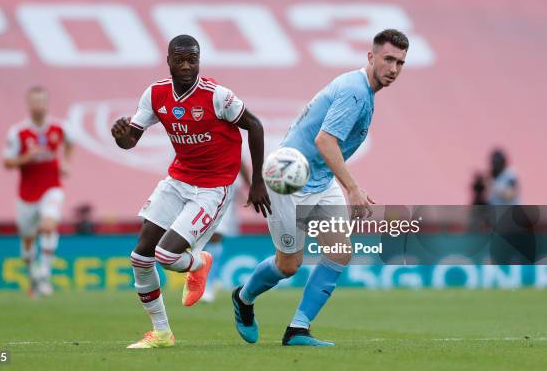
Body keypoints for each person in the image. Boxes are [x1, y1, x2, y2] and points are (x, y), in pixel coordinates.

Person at [232, 29, 409, 346]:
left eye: (400, 62)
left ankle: (297, 330)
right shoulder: (355, 91)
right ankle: (243, 299)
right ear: (370, 57)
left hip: (319, 180)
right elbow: (324, 141)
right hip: (288, 180)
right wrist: (353, 188)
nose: (394, 69)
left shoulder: (363, 92)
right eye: (388, 59)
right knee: (288, 265)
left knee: (340, 252)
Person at [111, 35, 270, 349]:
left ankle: (199, 263)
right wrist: (121, 138)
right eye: (180, 60)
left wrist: (257, 181)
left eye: (192, 60)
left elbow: (255, 125)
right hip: (178, 180)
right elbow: (132, 140)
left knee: (166, 255)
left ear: (199, 61)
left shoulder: (217, 96)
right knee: (140, 258)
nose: (187, 66)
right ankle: (161, 333)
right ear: (168, 60)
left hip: (213, 188)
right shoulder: (155, 94)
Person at [2, 86, 74, 297]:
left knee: (48, 224)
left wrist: (66, 163)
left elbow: (70, 143)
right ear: (29, 105)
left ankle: (44, 272)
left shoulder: (59, 128)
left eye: (41, 101)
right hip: (27, 193)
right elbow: (7, 162)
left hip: (52, 186)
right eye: (34, 102)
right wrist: (26, 158)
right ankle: (33, 274)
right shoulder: (18, 133)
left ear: (46, 104)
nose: (38, 105)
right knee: (27, 238)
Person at [201, 163, 251, 303]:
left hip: (223, 189)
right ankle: (202, 281)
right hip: (199, 187)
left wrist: (252, 187)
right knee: (199, 238)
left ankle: (208, 285)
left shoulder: (230, 143)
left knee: (215, 236)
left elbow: (239, 160)